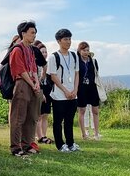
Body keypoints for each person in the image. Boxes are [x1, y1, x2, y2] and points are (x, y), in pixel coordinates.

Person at [8, 21, 41, 156]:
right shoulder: (17, 49)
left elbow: (33, 68)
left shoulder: (30, 50)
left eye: (35, 33)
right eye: (32, 33)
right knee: (18, 117)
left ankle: (27, 144)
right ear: (23, 33)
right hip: (22, 84)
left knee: (32, 116)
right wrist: (32, 84)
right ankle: (16, 147)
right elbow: (20, 70)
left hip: (32, 84)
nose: (34, 36)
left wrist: (37, 82)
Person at [48, 28, 80, 152]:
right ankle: (60, 145)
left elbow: (77, 73)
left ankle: (71, 143)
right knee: (58, 121)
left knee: (69, 120)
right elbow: (53, 76)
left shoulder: (73, 55)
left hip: (73, 94)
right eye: (65, 39)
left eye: (70, 39)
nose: (68, 42)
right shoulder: (53, 57)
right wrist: (65, 90)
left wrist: (75, 89)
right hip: (59, 95)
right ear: (59, 41)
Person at [76, 41, 101, 140]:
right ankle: (84, 134)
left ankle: (96, 133)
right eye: (84, 50)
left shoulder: (93, 61)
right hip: (81, 88)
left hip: (92, 88)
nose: (86, 52)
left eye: (87, 50)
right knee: (82, 110)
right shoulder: (77, 61)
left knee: (95, 110)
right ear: (79, 50)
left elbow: (96, 73)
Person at [34, 41, 53, 145]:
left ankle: (44, 135)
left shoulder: (48, 64)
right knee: (39, 115)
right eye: (42, 52)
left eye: (46, 52)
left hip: (48, 89)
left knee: (45, 114)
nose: (44, 54)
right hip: (40, 90)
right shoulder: (36, 65)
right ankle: (39, 136)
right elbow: (38, 79)